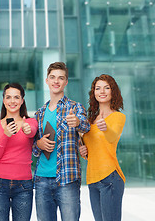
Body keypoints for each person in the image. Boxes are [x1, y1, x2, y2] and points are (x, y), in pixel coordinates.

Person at [32, 62, 90, 221]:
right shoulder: (39, 114)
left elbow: (86, 127)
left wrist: (77, 122)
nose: (56, 81)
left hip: (67, 179)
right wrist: (39, 144)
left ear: (66, 82)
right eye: (52, 77)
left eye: (60, 78)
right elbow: (33, 149)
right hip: (42, 180)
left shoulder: (75, 107)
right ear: (47, 81)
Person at [0, 83, 38, 221]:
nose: (12, 101)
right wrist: (5, 135)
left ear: (22, 101)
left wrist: (27, 129)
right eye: (8, 97)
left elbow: (32, 130)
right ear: (4, 100)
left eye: (16, 97)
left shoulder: (31, 122)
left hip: (24, 185)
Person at [80, 74, 126, 221]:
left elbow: (112, 137)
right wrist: (83, 150)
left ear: (113, 91)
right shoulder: (90, 120)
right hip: (92, 179)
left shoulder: (118, 117)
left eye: (107, 88)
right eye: (98, 88)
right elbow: (92, 149)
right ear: (94, 92)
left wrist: (106, 128)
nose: (102, 91)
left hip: (110, 178)